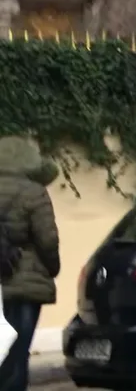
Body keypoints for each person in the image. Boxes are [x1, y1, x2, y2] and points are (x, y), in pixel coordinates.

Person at [0, 137, 61, 391]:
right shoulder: (34, 192)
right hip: (25, 282)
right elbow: (47, 240)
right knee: (17, 353)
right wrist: (53, 267)